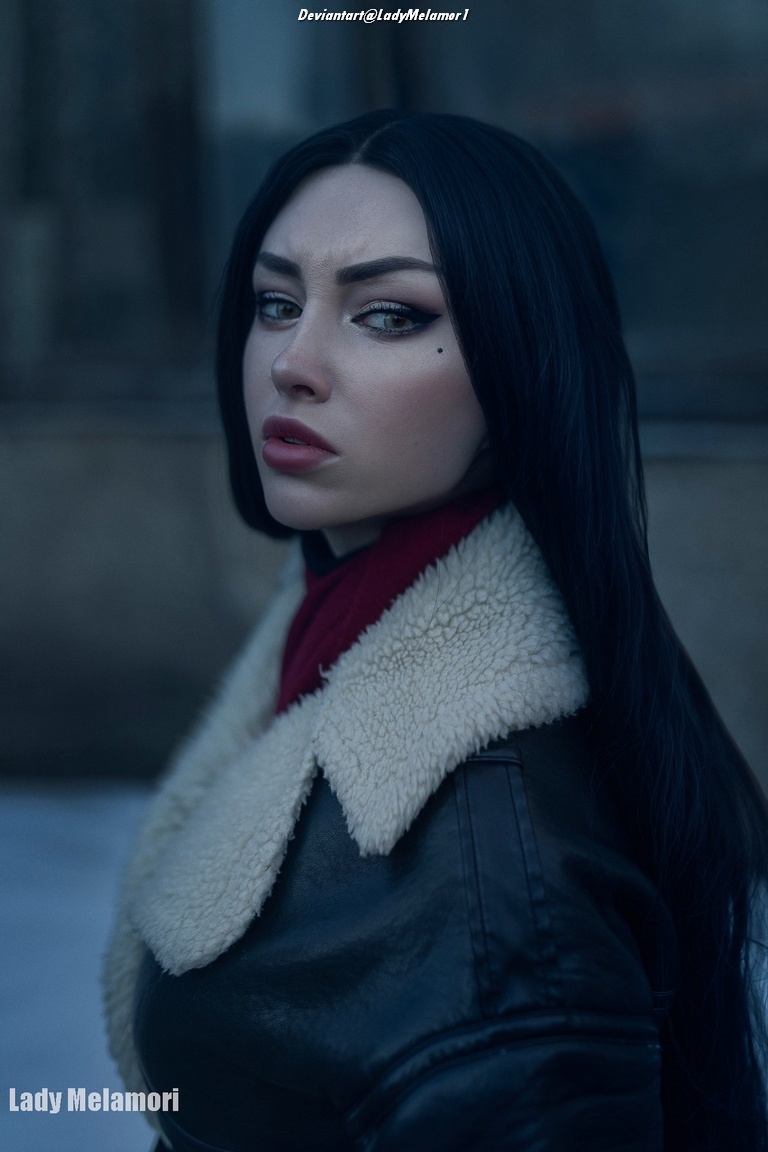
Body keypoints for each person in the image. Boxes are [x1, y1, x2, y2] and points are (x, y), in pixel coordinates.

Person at [103, 110, 768, 1151]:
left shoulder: (492, 877)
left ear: (520, 366)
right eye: (276, 303)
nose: (292, 363)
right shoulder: (333, 630)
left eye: (389, 315)